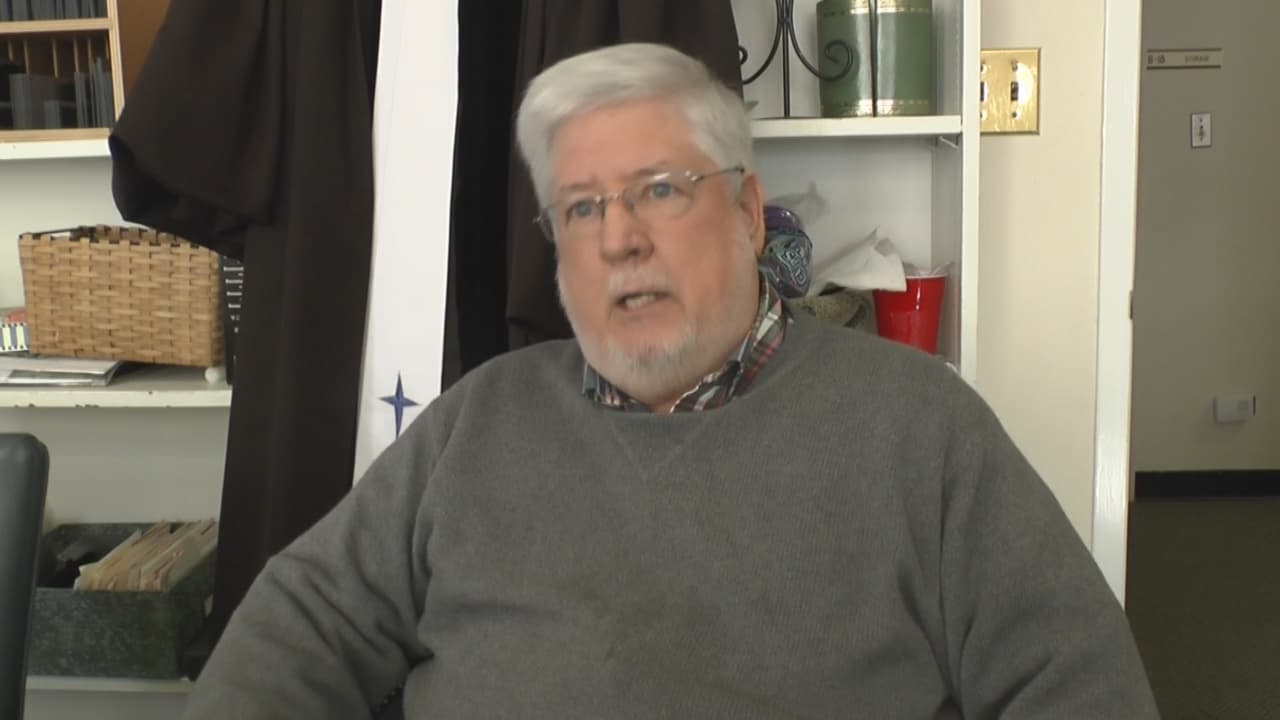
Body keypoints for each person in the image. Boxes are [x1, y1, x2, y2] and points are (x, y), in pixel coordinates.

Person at [181, 43, 1159, 719]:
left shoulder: (921, 430)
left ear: (746, 211)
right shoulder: (477, 420)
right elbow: (302, 624)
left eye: (657, 190)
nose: (619, 239)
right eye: (581, 209)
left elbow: (1077, 686)